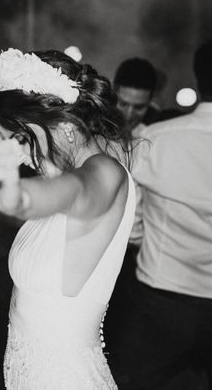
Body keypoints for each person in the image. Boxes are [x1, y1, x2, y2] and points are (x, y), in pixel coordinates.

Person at [0, 49, 135, 389]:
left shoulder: (104, 173)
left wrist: (18, 197)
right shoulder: (57, 176)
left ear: (66, 126)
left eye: (22, 139)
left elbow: (73, 193)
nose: (20, 155)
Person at [108, 40, 212, 389]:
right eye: (123, 103)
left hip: (161, 293)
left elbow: (134, 222)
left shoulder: (156, 137)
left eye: (138, 105)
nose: (130, 112)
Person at [113, 57, 159, 135]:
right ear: (112, 93)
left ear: (150, 102)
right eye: (123, 104)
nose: (129, 115)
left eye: (139, 107)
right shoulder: (91, 128)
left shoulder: (152, 137)